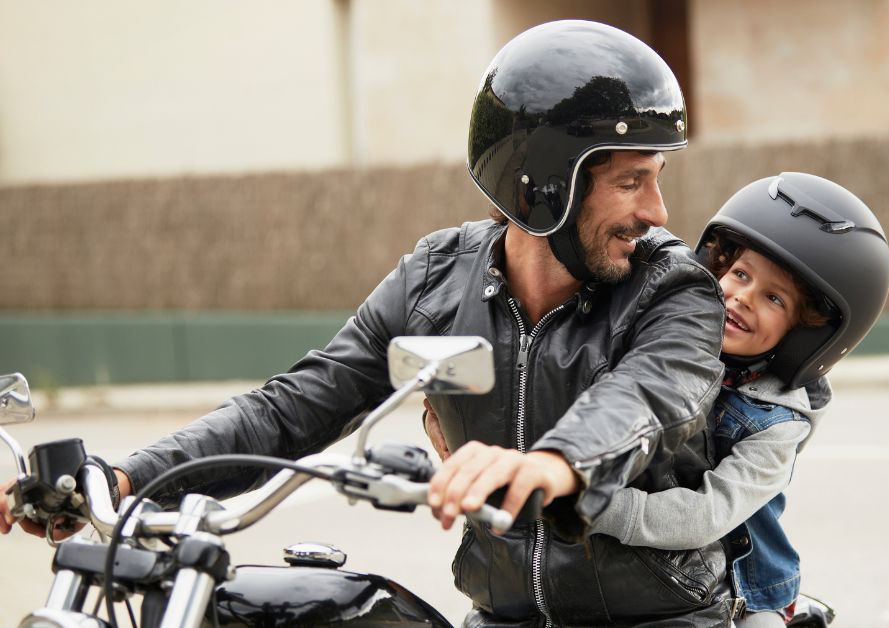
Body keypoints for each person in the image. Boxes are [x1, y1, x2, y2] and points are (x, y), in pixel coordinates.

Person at [2, 20, 734, 627]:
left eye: (655, 180)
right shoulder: (433, 282)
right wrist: (129, 478)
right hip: (501, 617)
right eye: (631, 181)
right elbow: (293, 407)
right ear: (545, 184)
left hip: (666, 620)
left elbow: (643, 400)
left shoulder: (675, 293)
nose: (656, 213)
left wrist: (552, 462)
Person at [589, 172, 889, 627]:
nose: (743, 296)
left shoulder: (777, 425)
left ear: (804, 336)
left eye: (773, 297)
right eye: (740, 274)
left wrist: (596, 508)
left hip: (743, 592)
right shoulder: (667, 348)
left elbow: (704, 516)